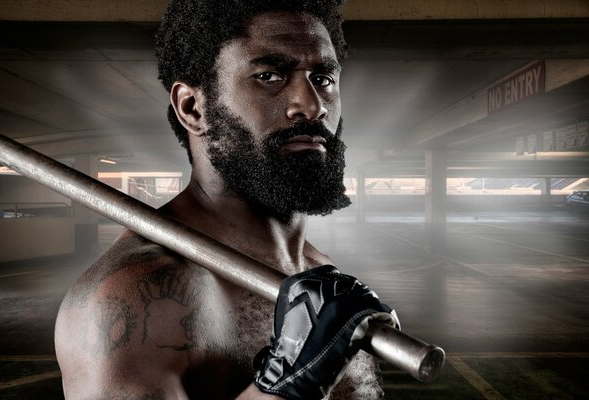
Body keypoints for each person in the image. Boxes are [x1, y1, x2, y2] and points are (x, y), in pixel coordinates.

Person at [55, 1, 399, 399]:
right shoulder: (136, 297)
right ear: (192, 107)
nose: (312, 106)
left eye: (322, 78)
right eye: (270, 75)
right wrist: (288, 383)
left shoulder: (318, 273)